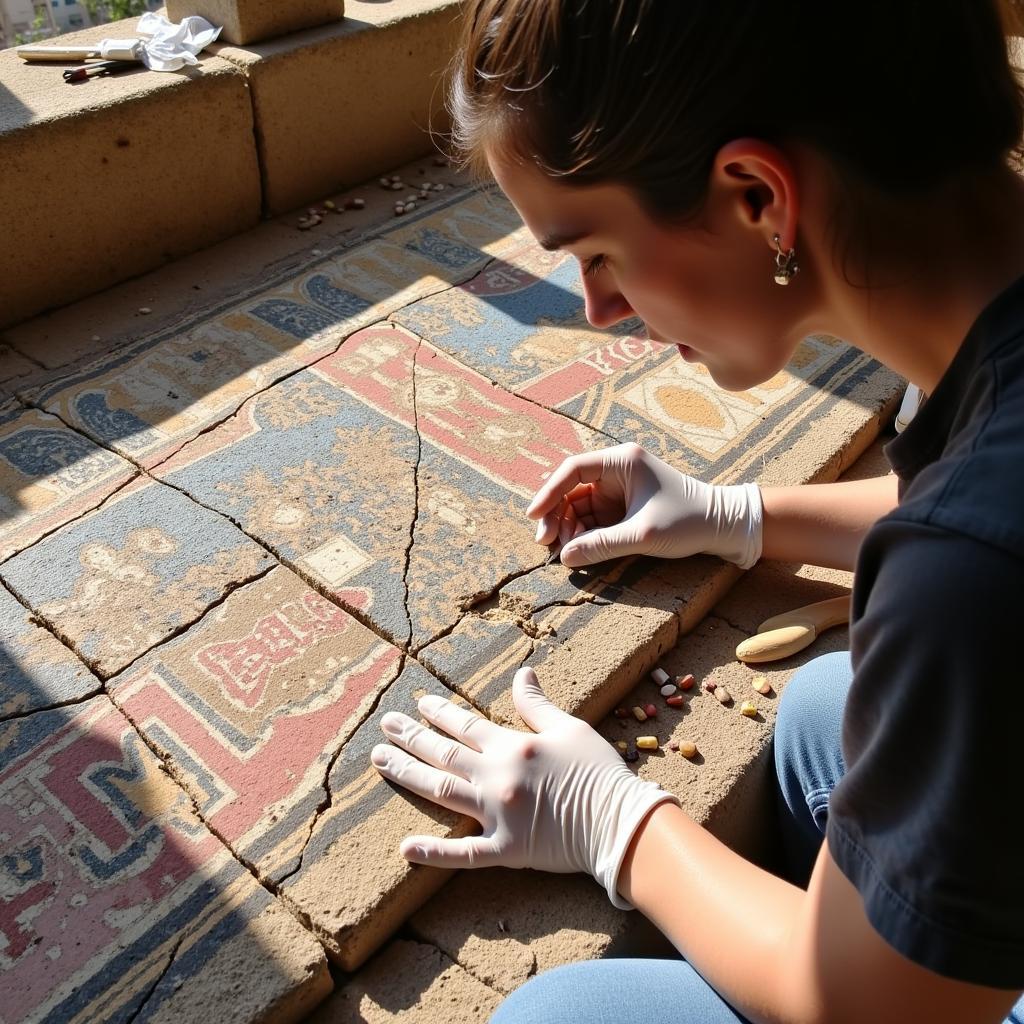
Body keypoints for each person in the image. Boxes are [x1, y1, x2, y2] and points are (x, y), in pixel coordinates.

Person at [369, 2, 1024, 1020]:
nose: (597, 309)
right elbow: (968, 510)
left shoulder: (967, 578)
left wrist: (613, 820)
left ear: (758, 194)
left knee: (550, 1020)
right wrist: (738, 511)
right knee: (818, 712)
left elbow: (862, 1008)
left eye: (596, 252)